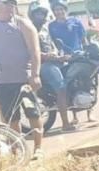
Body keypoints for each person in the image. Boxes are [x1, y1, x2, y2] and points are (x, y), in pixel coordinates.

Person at [0, 0, 44, 159]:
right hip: (2, 80)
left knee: (32, 114)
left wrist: (35, 74)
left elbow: (35, 51)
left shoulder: (23, 24)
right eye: (5, 2)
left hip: (24, 79)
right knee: (10, 117)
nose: (9, 5)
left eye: (12, 2)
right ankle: (18, 150)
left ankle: (38, 148)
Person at [28, 1, 75, 132]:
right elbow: (34, 52)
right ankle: (65, 124)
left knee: (73, 76)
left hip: (55, 60)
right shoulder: (30, 30)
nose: (42, 16)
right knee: (61, 87)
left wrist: (61, 54)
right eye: (38, 14)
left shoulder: (44, 28)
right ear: (32, 15)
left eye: (43, 13)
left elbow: (52, 44)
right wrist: (53, 57)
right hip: (44, 65)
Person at [49, 0, 93, 123]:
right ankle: (75, 116)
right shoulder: (51, 26)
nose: (59, 11)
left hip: (80, 55)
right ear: (53, 12)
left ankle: (90, 114)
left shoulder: (75, 21)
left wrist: (87, 50)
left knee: (87, 82)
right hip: (66, 58)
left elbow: (83, 38)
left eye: (61, 9)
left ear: (65, 10)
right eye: (56, 9)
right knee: (71, 85)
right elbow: (53, 43)